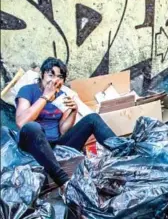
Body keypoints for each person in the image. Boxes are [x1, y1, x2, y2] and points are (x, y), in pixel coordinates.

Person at [15, 57, 116, 191]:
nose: (55, 80)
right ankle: (64, 183)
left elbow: (63, 130)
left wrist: (73, 111)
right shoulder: (28, 90)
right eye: (50, 75)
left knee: (92, 118)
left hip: (56, 147)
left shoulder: (61, 95)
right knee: (33, 127)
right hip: (33, 148)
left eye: (60, 77)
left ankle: (126, 154)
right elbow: (21, 122)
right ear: (42, 75)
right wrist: (45, 97)